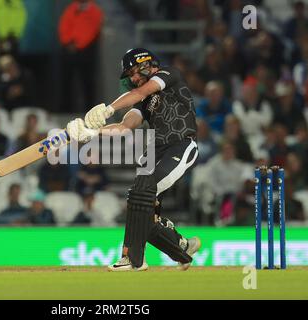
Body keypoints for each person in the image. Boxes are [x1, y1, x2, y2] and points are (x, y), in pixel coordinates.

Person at [66, 48, 201, 271]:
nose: (133, 79)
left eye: (134, 73)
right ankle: (182, 247)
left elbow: (140, 92)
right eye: (130, 76)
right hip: (156, 152)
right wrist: (91, 133)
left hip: (181, 145)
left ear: (146, 64)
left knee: (142, 191)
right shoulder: (143, 101)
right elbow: (123, 127)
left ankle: (133, 259)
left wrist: (108, 109)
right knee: (142, 210)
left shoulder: (169, 74)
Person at [58, 0, 103, 112]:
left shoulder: (94, 11)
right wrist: (68, 42)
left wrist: (77, 44)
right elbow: (63, 27)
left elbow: (93, 30)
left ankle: (89, 110)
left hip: (86, 51)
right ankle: (66, 109)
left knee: (87, 81)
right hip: (69, 50)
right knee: (66, 81)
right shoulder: (71, 9)